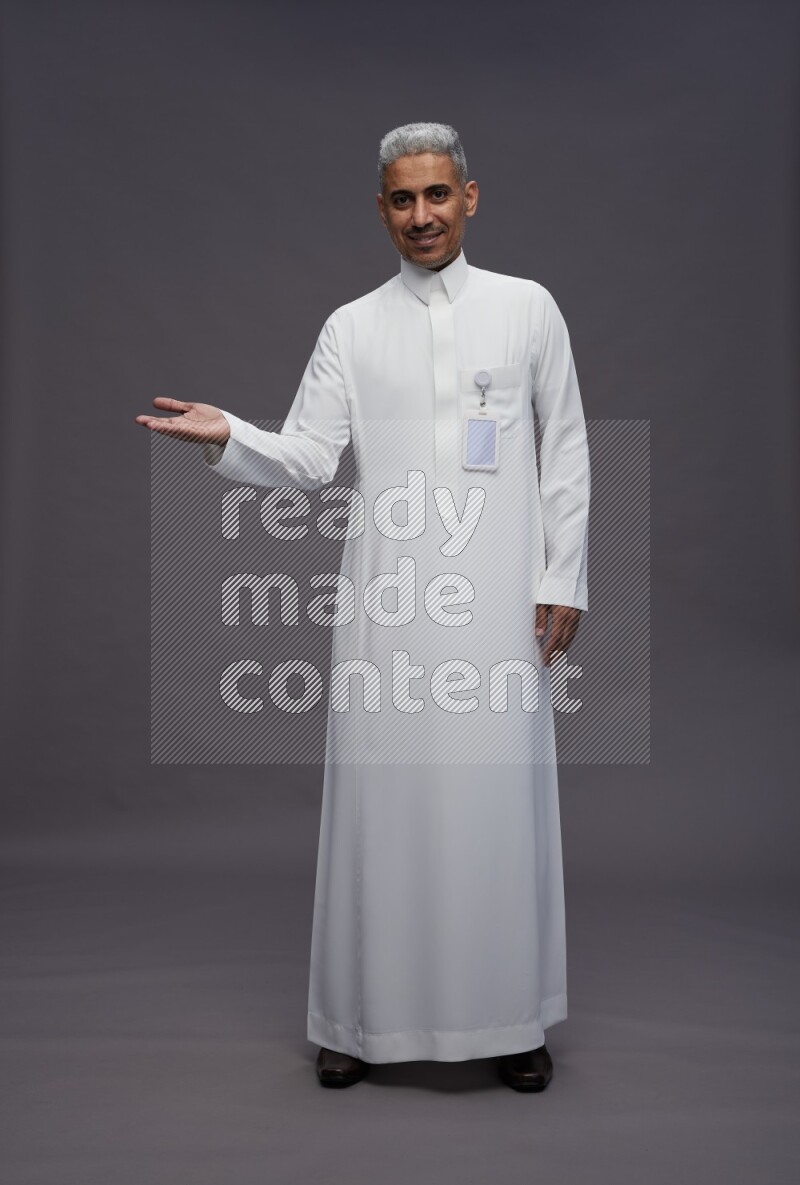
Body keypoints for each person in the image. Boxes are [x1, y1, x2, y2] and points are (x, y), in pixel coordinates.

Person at [136, 122, 590, 1092]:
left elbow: (569, 451)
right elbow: (304, 459)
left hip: (499, 605)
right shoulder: (350, 327)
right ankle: (360, 1021)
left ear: (469, 197)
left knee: (493, 807)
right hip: (387, 608)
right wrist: (229, 437)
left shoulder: (527, 311)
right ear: (379, 209)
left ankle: (510, 1021)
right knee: (379, 810)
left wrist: (564, 578)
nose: (419, 216)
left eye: (436, 195)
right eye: (400, 199)